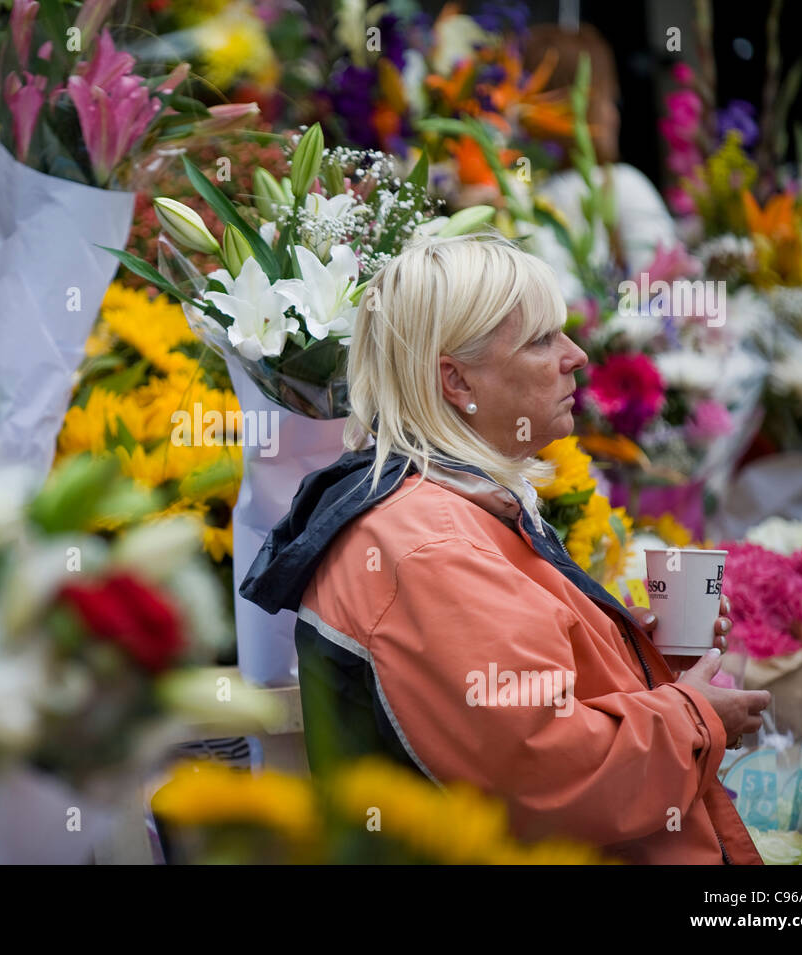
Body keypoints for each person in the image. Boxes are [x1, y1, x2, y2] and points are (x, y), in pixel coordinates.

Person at [240, 233, 769, 864]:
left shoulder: (440, 512)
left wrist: (637, 656)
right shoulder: (429, 546)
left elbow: (519, 716)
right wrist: (695, 720)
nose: (576, 356)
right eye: (542, 339)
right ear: (457, 380)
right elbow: (545, 774)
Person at [521, 23, 678, 303]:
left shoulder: (520, 196)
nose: (614, 116)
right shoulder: (623, 184)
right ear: (581, 107)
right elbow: (667, 292)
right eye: (609, 99)